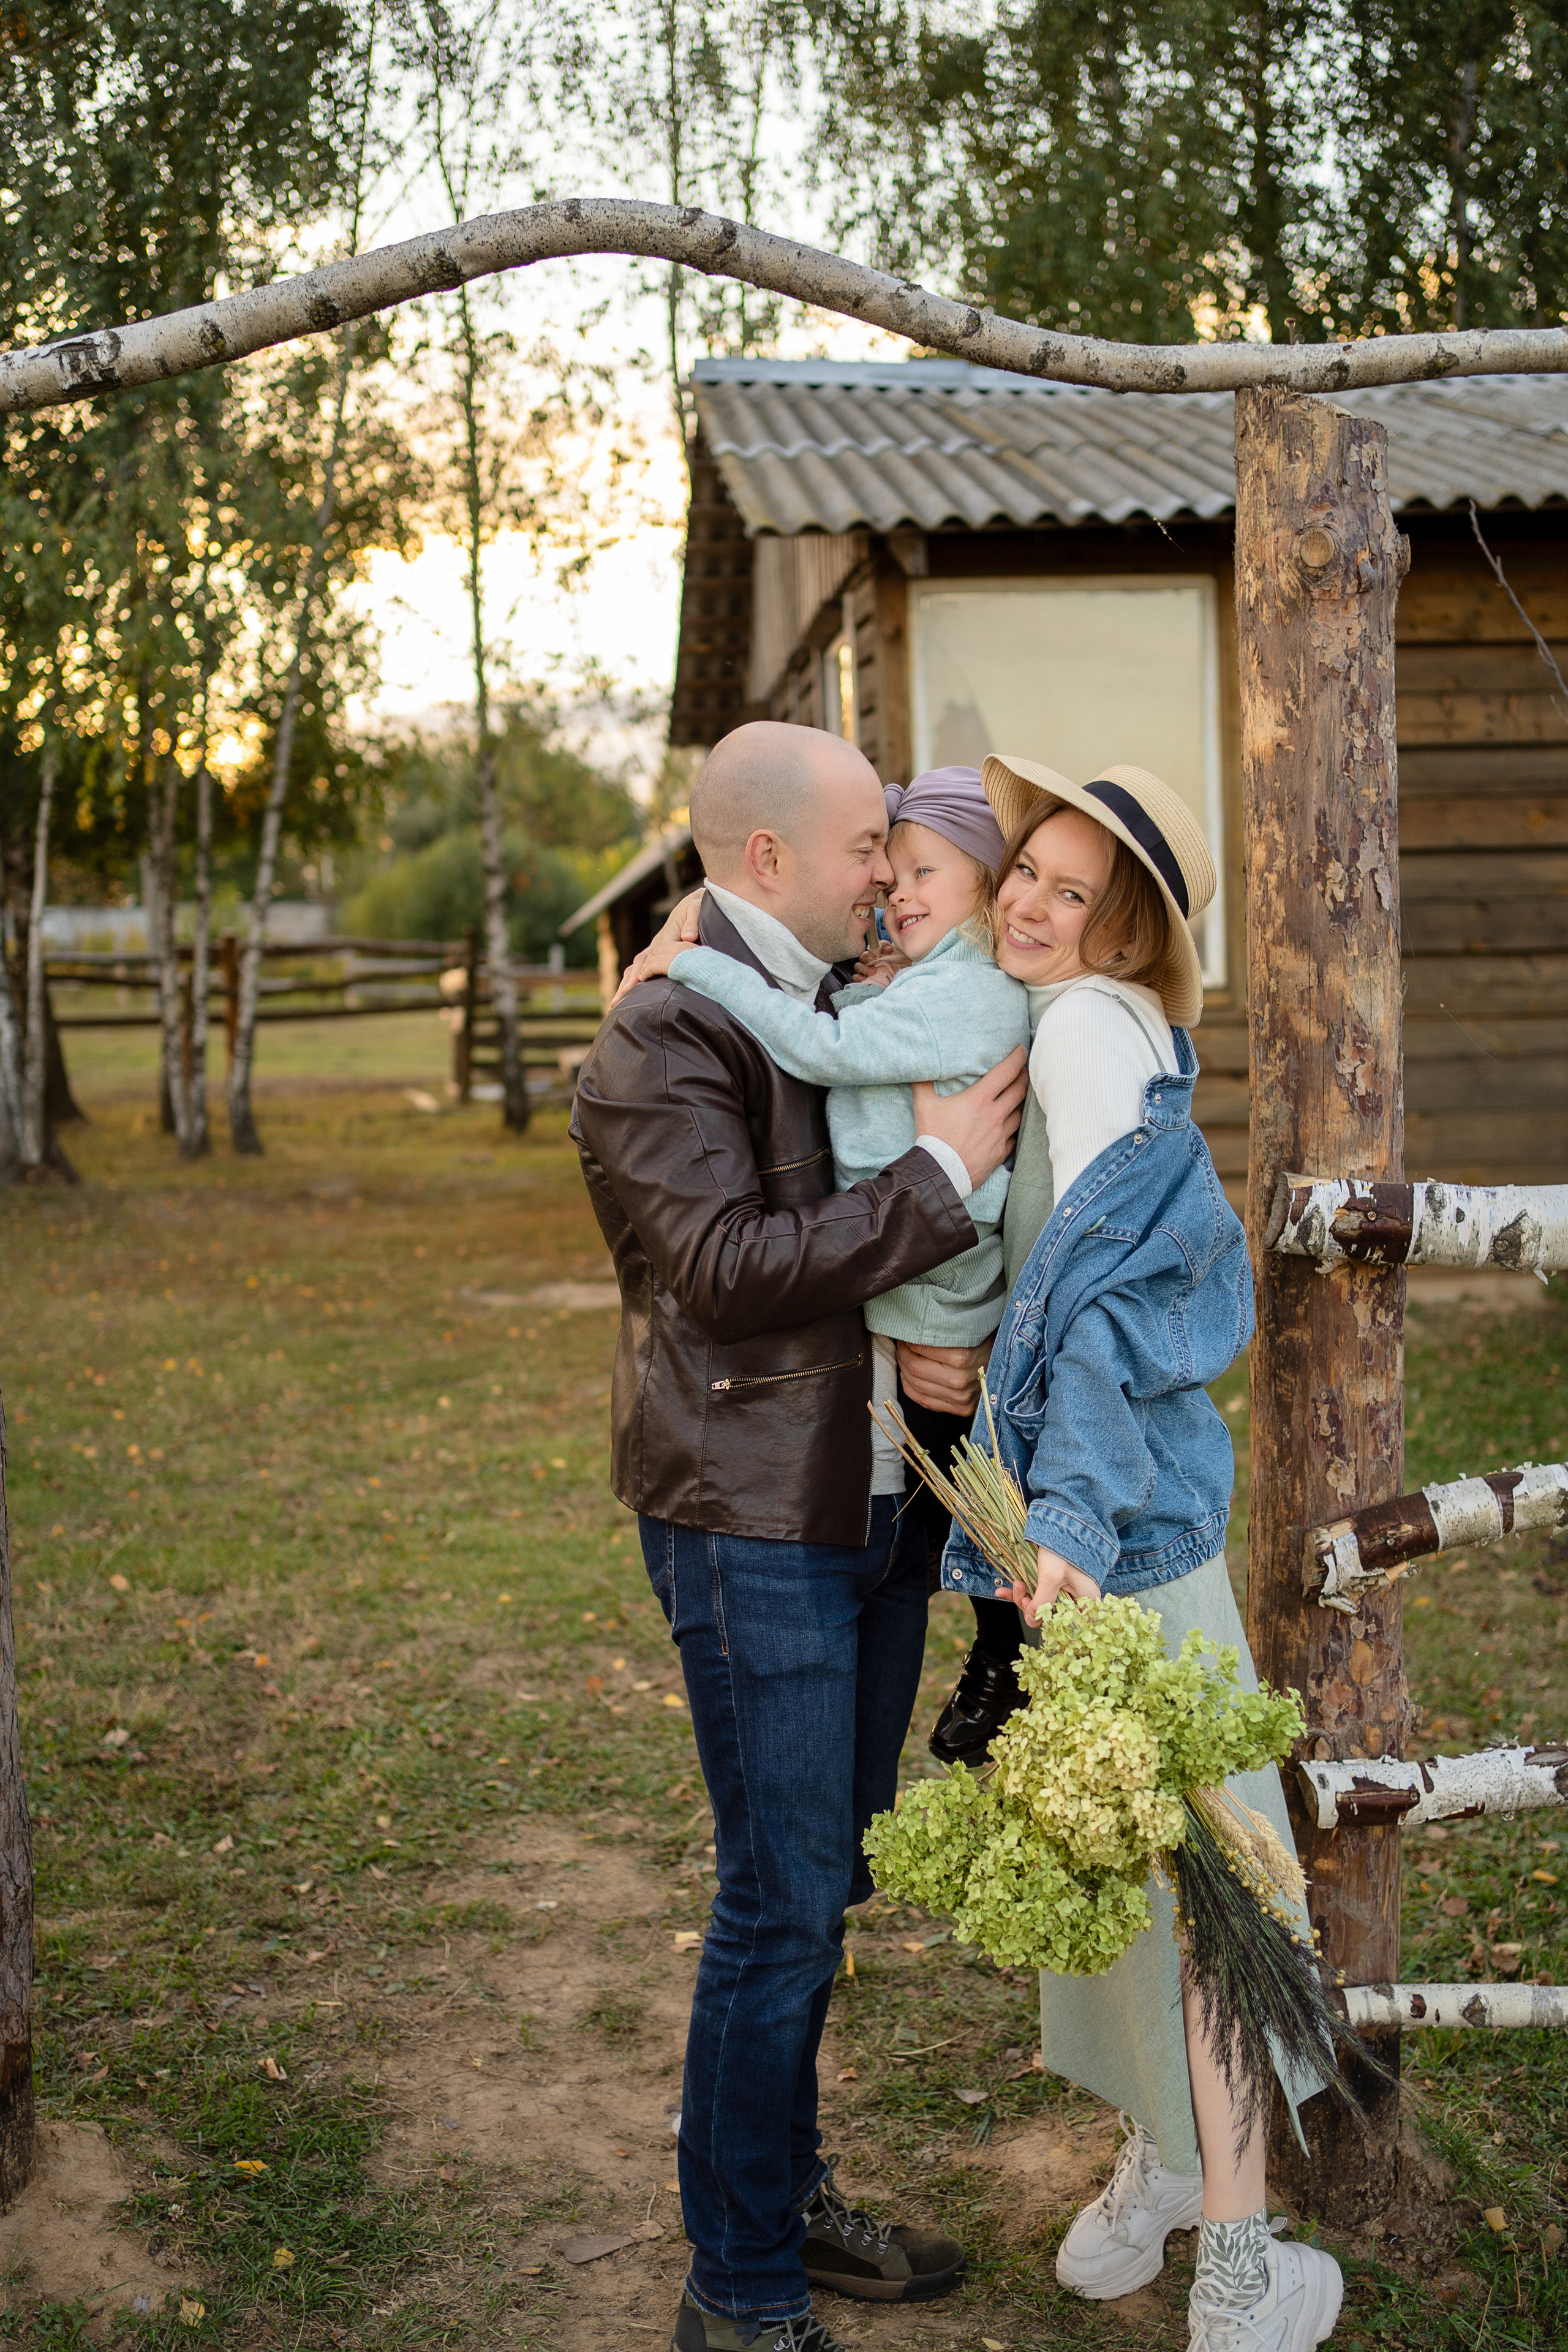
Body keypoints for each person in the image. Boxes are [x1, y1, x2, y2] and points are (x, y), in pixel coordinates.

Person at [569, 720, 1028, 2352]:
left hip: (878, 1503)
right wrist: (936, 1180)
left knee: (822, 1880)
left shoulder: (843, 994)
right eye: (863, 857)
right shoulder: (660, 1038)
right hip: (755, 1518)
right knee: (777, 1897)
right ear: (767, 859)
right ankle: (741, 2290)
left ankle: (784, 2191)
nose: (886, 883)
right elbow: (723, 1266)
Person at [940, 755, 1343, 2352]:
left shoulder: (1087, 1034)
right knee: (1140, 1859)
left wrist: (1077, 1531)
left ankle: (1233, 2259)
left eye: (1073, 894)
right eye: (1025, 870)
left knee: (1214, 1885)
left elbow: (1097, 1307)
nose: (1033, 902)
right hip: (1089, 1530)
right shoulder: (1084, 1027)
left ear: (1125, 937)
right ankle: (1170, 2175)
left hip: (1115, 1535)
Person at [628, 763, 1033, 1764]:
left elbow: (821, 1048)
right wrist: (693, 915)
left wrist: (693, 958)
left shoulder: (968, 992)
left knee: (977, 1495)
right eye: (878, 863)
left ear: (984, 878)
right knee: (966, 1485)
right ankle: (1010, 1649)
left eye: (911, 869)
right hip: (849, 1378)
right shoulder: (897, 975)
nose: (890, 888)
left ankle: (1012, 1654)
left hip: (929, 1317)